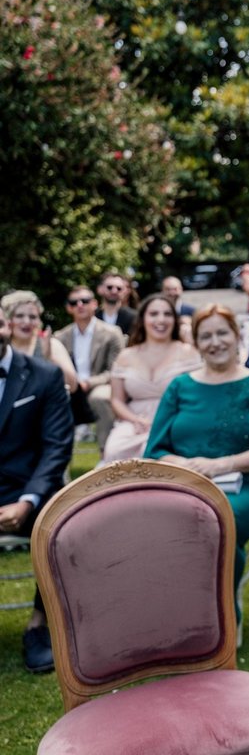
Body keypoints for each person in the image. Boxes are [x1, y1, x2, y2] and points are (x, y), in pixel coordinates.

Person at [144, 304, 249, 612]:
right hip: (184, 485)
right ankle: (165, 612)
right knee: (149, 525)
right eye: (206, 336)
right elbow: (155, 451)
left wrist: (220, 464)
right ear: (196, 344)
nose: (215, 342)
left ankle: (218, 619)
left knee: (214, 523)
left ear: (237, 335)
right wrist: (185, 466)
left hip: (246, 487)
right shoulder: (179, 387)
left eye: (222, 333)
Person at [0, 304, 74, 673]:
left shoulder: (45, 376)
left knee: (65, 531)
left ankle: (38, 625)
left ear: (8, 326)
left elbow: (57, 447)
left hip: (29, 488)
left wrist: (26, 501)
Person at [101, 293, 201, 464]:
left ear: (175, 320)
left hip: (176, 419)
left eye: (167, 314)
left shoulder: (188, 353)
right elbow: (117, 400)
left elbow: (198, 396)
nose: (161, 320)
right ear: (142, 319)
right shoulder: (126, 355)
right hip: (134, 420)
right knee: (113, 450)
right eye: (153, 314)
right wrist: (135, 420)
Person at [54, 286, 124, 451]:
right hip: (70, 388)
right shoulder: (60, 337)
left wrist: (88, 383)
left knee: (99, 398)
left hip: (99, 386)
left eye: (84, 301)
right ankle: (59, 462)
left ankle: (106, 456)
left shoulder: (112, 333)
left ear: (94, 304)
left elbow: (115, 370)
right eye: (74, 302)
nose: (80, 305)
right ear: (69, 308)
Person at [1, 291, 77, 394]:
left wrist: (49, 358)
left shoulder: (51, 344)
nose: (27, 322)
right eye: (19, 316)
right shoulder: (3, 347)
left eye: (32, 317)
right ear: (8, 320)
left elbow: (72, 386)